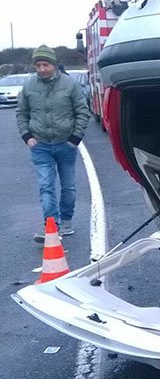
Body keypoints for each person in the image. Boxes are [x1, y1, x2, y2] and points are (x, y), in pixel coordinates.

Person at [16, 45, 90, 242]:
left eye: (45, 64)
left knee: (68, 187)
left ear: (53, 64)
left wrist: (75, 139)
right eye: (38, 65)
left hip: (66, 144)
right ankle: (51, 226)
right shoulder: (29, 86)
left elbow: (82, 111)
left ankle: (66, 221)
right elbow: (21, 113)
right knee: (46, 186)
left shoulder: (70, 84)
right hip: (40, 145)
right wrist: (27, 136)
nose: (41, 69)